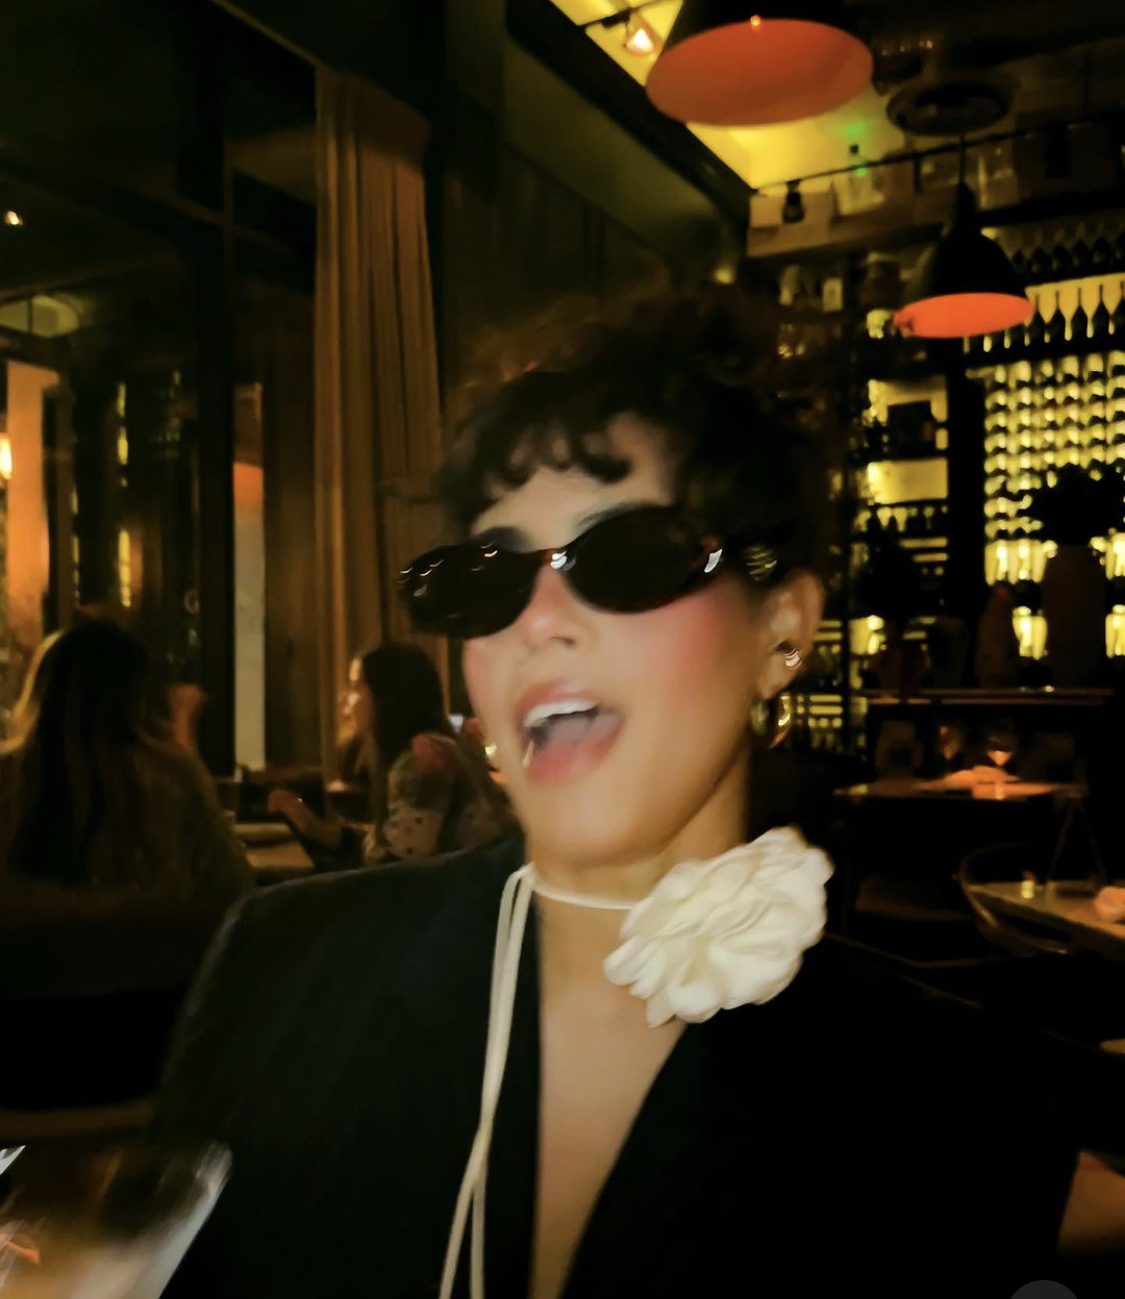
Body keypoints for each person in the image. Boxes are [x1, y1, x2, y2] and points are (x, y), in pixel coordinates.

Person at [156, 289, 1117, 1298]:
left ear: (782, 628)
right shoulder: (282, 971)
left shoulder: (939, 1095)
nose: (538, 619)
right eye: (490, 575)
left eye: (629, 555)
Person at [0, 619, 252, 905]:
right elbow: (233, 887)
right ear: (137, 696)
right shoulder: (172, 778)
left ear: (40, 690)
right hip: (159, 936)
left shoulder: (8, 778)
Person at [268, 641, 513, 866]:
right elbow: (389, 845)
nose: (346, 700)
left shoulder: (426, 756)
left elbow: (394, 866)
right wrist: (312, 827)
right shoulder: (428, 749)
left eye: (356, 687)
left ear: (387, 696)